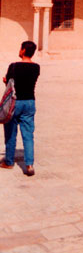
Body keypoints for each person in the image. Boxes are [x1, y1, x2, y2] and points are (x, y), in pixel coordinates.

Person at [1, 41, 40, 176]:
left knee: (11, 133)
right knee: (28, 134)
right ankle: (29, 165)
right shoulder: (36, 67)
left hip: (15, 102)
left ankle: (9, 161)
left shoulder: (14, 66)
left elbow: (9, 82)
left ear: (23, 50)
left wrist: (5, 80)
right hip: (30, 103)